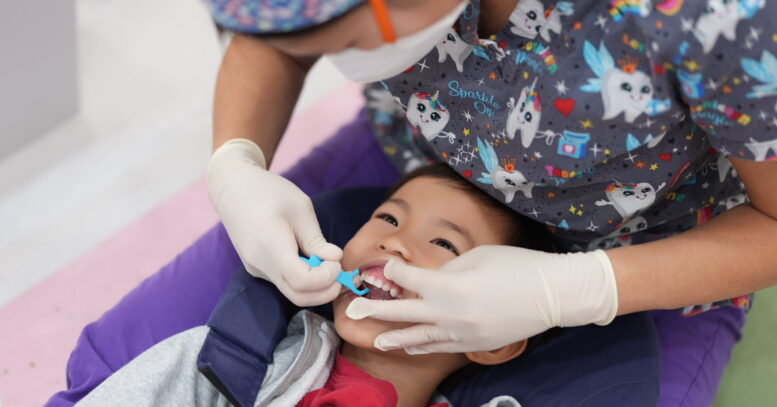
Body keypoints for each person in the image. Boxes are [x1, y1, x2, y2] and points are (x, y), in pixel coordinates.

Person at [52, 0, 777, 405]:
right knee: (115, 367)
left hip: (651, 253)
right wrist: (236, 160)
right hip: (418, 155)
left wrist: (572, 287)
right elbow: (278, 22)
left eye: (342, 38)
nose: (321, 55)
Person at [73, 164, 657, 406]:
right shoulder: (239, 361)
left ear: (495, 337)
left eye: (445, 245)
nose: (396, 243)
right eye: (388, 219)